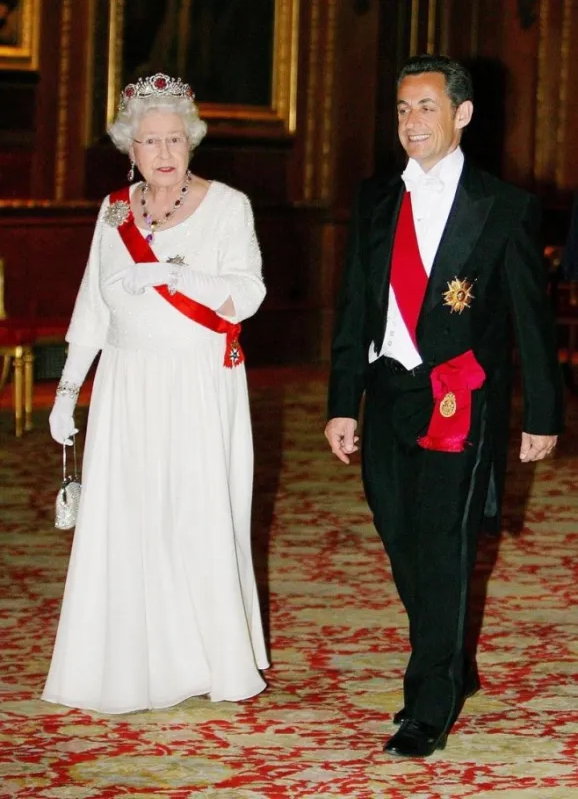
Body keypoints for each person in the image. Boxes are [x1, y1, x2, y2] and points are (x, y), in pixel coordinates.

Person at [324, 54, 563, 758]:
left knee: (445, 547)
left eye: (426, 107)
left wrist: (541, 413)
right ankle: (450, 651)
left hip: (460, 402)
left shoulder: (503, 206)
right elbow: (352, 311)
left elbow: (530, 319)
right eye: (401, 109)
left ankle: (428, 703)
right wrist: (344, 403)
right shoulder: (375, 199)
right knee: (401, 540)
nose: (411, 123)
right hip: (388, 392)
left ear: (461, 114)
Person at [43, 73, 269, 713]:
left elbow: (246, 294)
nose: (165, 153)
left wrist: (172, 274)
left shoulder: (229, 205)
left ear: (192, 142)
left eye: (175, 139)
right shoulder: (113, 210)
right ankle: (135, 660)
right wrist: (66, 392)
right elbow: (93, 305)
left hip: (197, 381)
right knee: (132, 518)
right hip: (125, 384)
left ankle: (208, 656)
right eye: (151, 142)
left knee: (193, 515)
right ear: (130, 149)